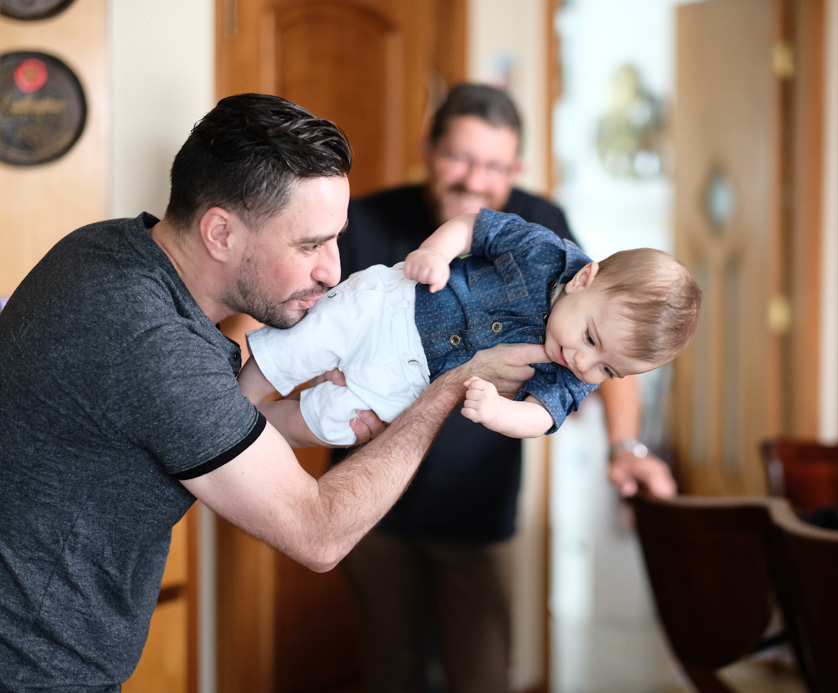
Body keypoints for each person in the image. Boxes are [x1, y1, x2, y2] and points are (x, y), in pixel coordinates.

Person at [0, 92, 542, 690]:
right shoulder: (155, 342)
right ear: (220, 232)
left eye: (336, 240)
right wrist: (447, 387)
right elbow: (320, 534)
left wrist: (290, 421)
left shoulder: (104, 248)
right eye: (310, 245)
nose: (333, 271)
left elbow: (171, 425)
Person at [336, 82, 682, 693]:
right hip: (371, 499)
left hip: (479, 510)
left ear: (517, 168)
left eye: (495, 165)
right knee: (390, 671)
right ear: (428, 148)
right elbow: (292, 309)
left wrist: (626, 449)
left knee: (482, 675)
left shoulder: (540, 229)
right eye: (460, 158)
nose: (475, 179)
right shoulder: (365, 220)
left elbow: (612, 338)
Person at [239, 209, 700, 445]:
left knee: (330, 425)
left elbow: (543, 416)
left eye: (608, 371)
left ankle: (247, 434)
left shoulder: (571, 373)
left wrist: (501, 415)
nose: (584, 363)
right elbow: (474, 225)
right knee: (302, 345)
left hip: (410, 383)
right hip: (391, 309)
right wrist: (437, 253)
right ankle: (233, 402)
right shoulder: (542, 251)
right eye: (591, 339)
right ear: (584, 279)